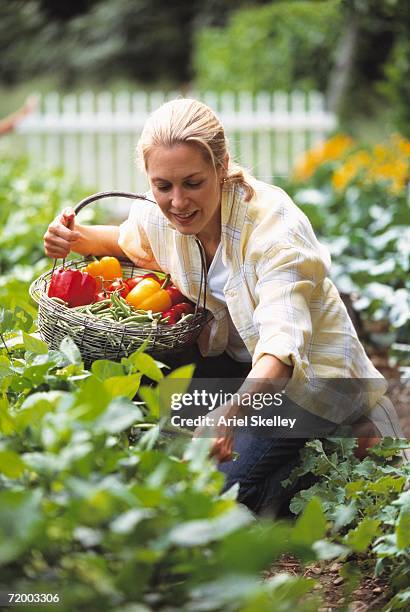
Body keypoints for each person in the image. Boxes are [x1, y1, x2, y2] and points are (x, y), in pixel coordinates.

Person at [43, 98, 406, 517]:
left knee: (217, 490)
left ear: (221, 166)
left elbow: (281, 347)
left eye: (193, 183)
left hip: (308, 384)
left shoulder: (274, 231)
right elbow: (128, 241)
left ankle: (347, 445)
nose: (177, 202)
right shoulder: (160, 214)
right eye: (163, 186)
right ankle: (283, 454)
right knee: (143, 394)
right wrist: (72, 236)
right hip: (239, 367)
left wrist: (229, 413)